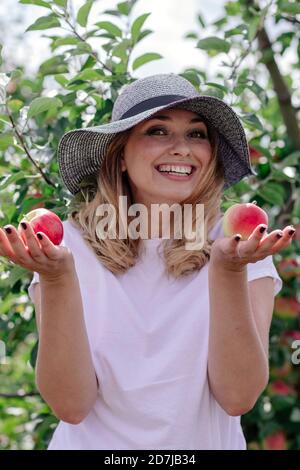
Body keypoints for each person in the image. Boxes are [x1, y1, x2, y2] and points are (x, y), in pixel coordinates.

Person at [0, 73, 295, 450]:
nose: (182, 148)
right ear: (120, 155)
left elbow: (238, 396)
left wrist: (227, 271)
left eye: (197, 134)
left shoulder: (239, 245)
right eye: (157, 131)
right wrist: (57, 279)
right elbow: (71, 405)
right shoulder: (68, 248)